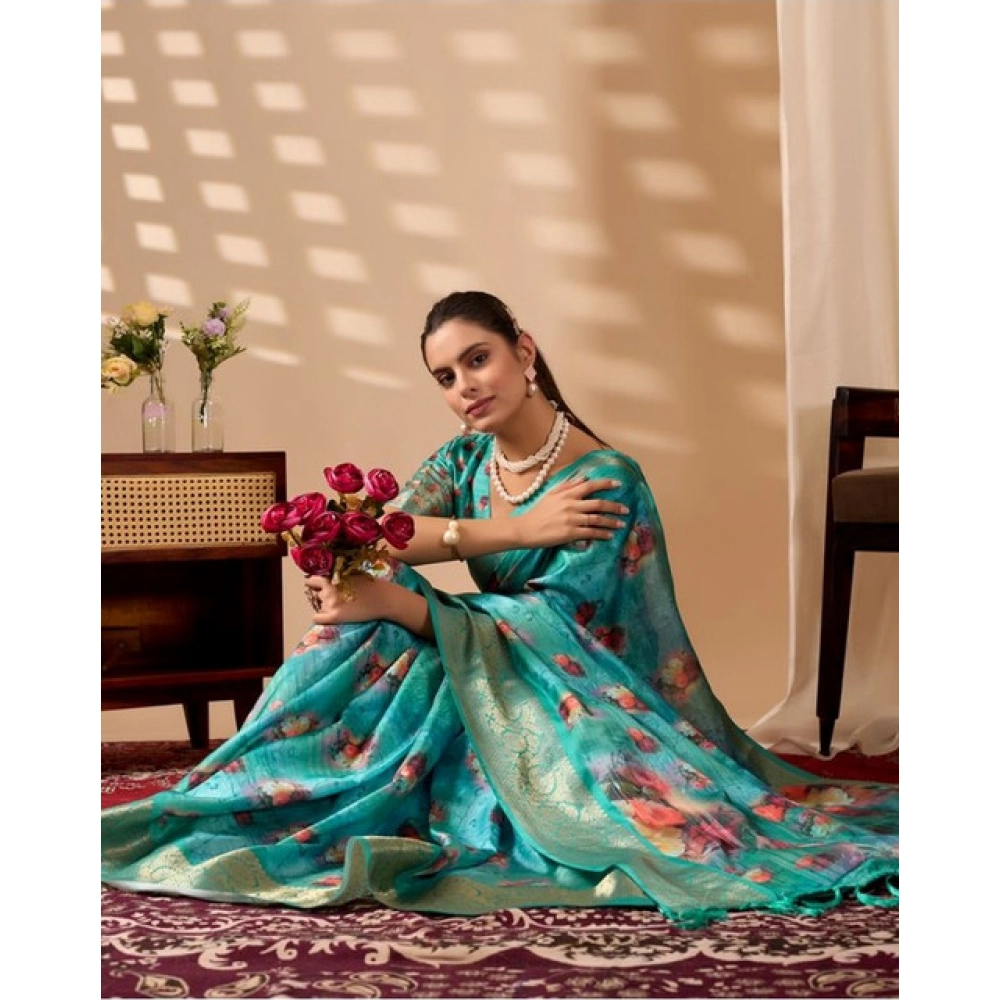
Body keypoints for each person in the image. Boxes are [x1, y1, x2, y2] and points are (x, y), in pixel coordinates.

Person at [101, 290, 898, 927]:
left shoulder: (604, 482)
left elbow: (565, 635)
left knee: (388, 607)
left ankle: (276, 781)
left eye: (477, 359)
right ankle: (237, 785)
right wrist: (506, 533)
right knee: (361, 604)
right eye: (445, 377)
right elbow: (385, 533)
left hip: (577, 697)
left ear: (525, 350)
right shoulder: (467, 458)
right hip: (492, 659)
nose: (464, 388)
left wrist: (397, 600)